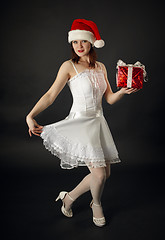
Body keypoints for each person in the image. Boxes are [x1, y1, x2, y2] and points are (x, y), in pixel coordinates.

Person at [26, 19, 138, 227]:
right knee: (99, 174)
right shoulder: (68, 66)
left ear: (92, 43)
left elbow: (109, 99)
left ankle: (68, 198)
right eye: (75, 42)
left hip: (98, 123)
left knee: (105, 173)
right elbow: (50, 95)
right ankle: (96, 204)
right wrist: (30, 115)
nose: (78, 46)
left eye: (83, 41)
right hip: (80, 123)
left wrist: (122, 91)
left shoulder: (101, 67)